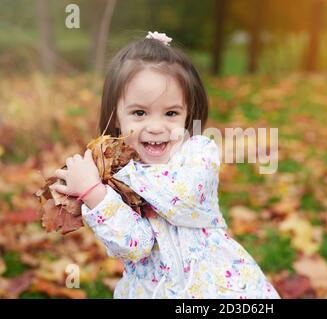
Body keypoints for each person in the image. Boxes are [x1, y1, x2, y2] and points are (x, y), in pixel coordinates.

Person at [51, 31, 280, 299]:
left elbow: (181, 195)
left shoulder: (198, 154)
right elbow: (133, 244)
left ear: (188, 114)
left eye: (171, 113)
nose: (156, 127)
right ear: (116, 117)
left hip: (210, 288)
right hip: (152, 291)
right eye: (139, 113)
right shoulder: (114, 179)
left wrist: (97, 185)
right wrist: (95, 196)